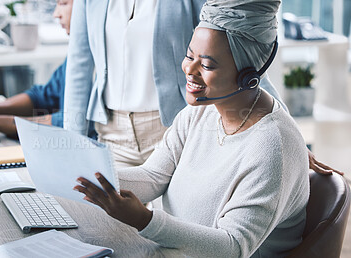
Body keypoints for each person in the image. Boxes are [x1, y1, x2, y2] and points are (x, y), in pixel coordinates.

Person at [73, 1, 310, 257]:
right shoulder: (199, 112)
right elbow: (154, 176)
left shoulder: (272, 145)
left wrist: (145, 220)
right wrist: (85, 175)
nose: (188, 69)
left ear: (249, 76)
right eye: (189, 56)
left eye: (207, 65)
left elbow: (234, 246)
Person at [64, 0, 343, 175]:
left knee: (166, 234)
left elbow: (240, 61)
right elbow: (78, 65)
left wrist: (290, 135)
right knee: (112, 230)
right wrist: (71, 145)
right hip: (111, 132)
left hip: (172, 130)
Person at [0, 0, 96, 139]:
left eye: (63, 4)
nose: (56, 14)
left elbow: (75, 122)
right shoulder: (77, 53)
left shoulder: (102, 61)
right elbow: (42, 97)